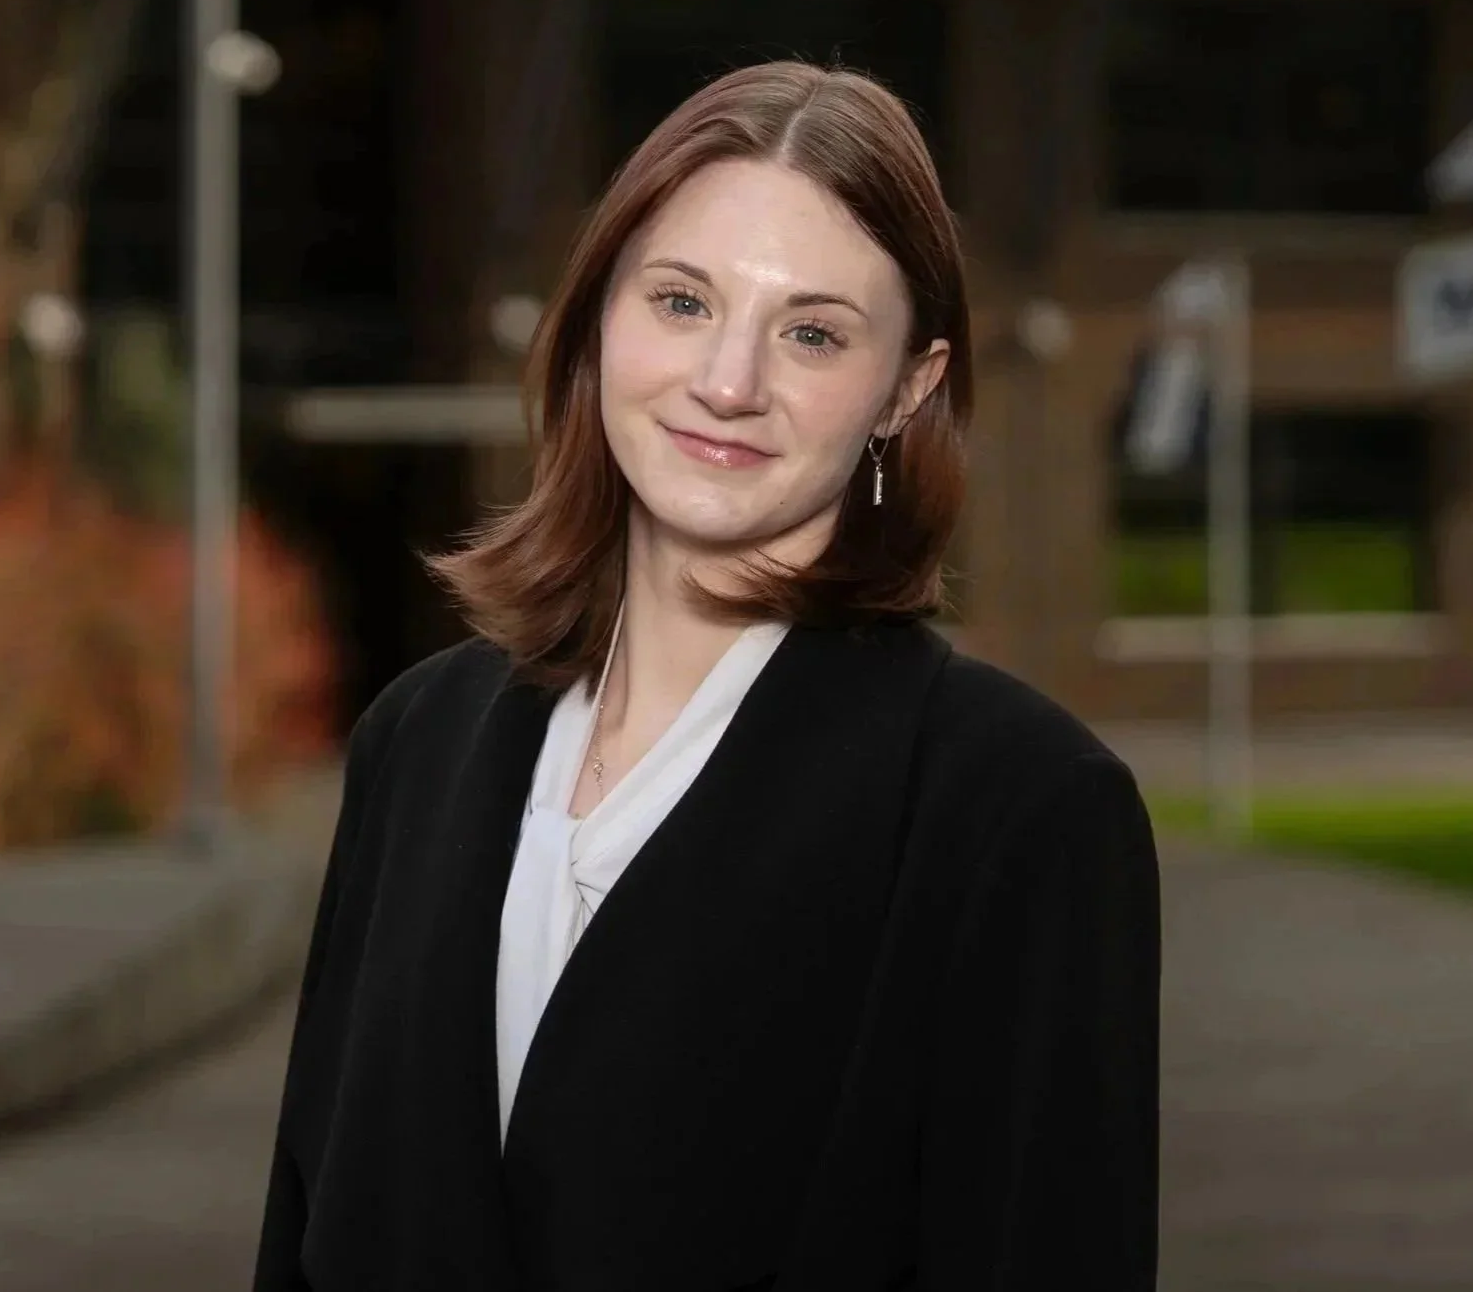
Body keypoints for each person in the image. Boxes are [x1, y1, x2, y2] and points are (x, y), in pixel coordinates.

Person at [252, 62, 1160, 1292]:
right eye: (682, 302)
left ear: (907, 389)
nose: (729, 382)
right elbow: (306, 1230)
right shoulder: (419, 740)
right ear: (598, 316)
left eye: (812, 333)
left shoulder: (1017, 808)